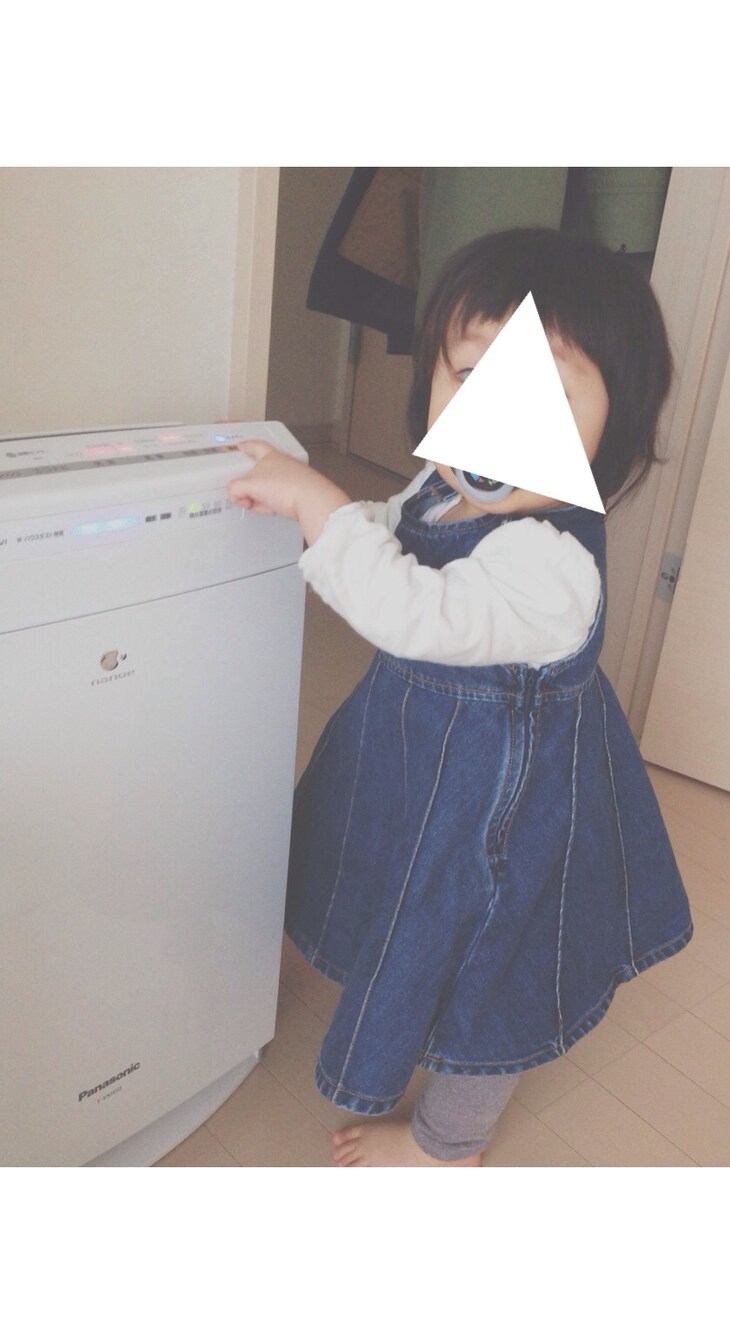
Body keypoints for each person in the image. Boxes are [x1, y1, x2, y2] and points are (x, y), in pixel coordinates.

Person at [227, 227, 693, 1167]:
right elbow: (393, 535)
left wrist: (317, 504)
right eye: (473, 378)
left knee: (492, 956)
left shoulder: (551, 562)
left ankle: (449, 1146)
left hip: (505, 806)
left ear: (614, 430)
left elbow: (410, 610)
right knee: (376, 874)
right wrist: (325, 515)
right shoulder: (446, 488)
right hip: (417, 755)